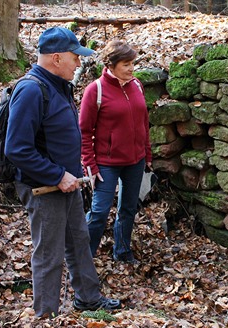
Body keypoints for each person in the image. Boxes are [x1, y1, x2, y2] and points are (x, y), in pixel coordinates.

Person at [5, 27, 121, 318]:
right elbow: (16, 148)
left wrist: (72, 173)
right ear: (56, 58)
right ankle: (46, 317)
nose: (79, 63)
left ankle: (88, 299)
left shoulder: (58, 85)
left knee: (79, 242)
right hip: (44, 189)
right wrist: (57, 175)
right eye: (74, 57)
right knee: (49, 255)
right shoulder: (32, 90)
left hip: (67, 184)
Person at [79, 40, 152, 263]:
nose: (131, 68)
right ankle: (84, 258)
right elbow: (83, 131)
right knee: (99, 212)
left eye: (132, 64)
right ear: (111, 65)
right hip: (106, 164)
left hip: (135, 161)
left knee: (128, 209)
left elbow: (143, 123)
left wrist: (147, 155)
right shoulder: (96, 90)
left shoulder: (137, 85)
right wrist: (90, 164)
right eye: (126, 64)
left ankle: (122, 251)